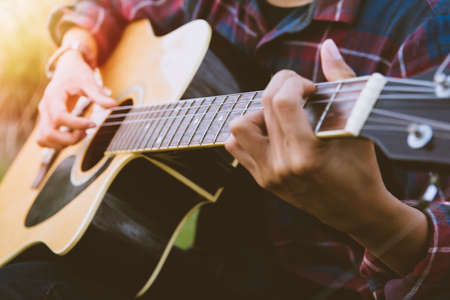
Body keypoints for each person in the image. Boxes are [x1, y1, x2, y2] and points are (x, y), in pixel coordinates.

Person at [1, 0, 449, 299]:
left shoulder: (428, 24)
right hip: (211, 266)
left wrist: (375, 221)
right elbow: (106, 7)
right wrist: (74, 55)